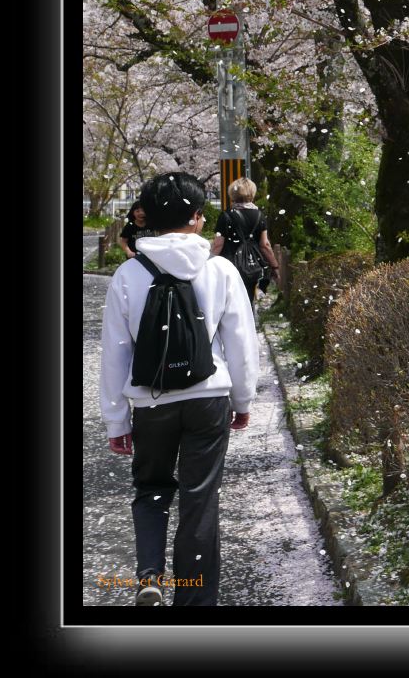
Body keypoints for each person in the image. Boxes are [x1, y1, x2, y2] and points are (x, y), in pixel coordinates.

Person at [100, 171, 259, 606]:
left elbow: (115, 354)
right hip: (209, 398)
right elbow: (241, 343)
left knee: (151, 490)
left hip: (152, 401)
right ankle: (194, 604)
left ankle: (150, 575)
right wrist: (242, 400)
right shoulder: (220, 270)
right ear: (196, 218)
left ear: (146, 217)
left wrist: (116, 419)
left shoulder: (128, 275)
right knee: (199, 500)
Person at [211, 177, 278, 309]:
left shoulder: (226, 215)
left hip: (229, 265)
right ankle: (248, 323)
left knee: (229, 302)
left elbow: (218, 244)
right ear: (251, 193)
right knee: (247, 300)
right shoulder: (259, 215)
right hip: (251, 266)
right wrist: (274, 266)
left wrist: (208, 262)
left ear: (232, 194)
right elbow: (265, 245)